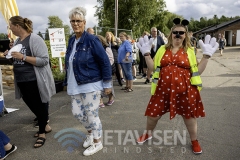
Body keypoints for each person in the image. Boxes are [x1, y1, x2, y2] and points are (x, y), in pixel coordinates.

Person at [136, 18, 219, 154]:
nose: (178, 35)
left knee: (189, 117)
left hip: (186, 90)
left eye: (181, 32)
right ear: (171, 34)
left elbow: (198, 70)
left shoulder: (190, 51)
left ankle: (194, 140)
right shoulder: (162, 49)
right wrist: (146, 55)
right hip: (162, 89)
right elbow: (152, 68)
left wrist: (206, 57)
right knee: (153, 115)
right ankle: (148, 133)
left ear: (185, 35)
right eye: (175, 32)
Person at [64, 6, 112, 156]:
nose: (76, 24)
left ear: (84, 22)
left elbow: (104, 61)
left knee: (92, 114)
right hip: (75, 83)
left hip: (91, 83)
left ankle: (97, 142)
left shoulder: (92, 40)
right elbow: (69, 61)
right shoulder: (72, 40)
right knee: (78, 113)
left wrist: (107, 83)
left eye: (78, 21)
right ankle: (91, 133)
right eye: (73, 21)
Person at [4, 16, 55, 148]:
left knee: (40, 105)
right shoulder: (16, 42)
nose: (10, 28)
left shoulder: (35, 39)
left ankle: (42, 132)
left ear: (18, 26)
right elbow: (16, 61)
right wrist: (9, 55)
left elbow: (44, 60)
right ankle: (46, 126)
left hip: (34, 79)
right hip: (21, 80)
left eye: (11, 26)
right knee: (32, 105)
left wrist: (23, 56)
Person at [97, 35, 115, 107]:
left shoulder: (106, 48)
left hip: (106, 70)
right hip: (97, 70)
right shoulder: (94, 49)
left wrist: (105, 66)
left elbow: (111, 59)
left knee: (108, 86)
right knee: (98, 86)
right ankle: (100, 100)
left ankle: (111, 97)